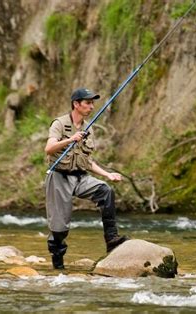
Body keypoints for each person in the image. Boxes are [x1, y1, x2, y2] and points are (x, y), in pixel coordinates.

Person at [44, 87, 128, 269]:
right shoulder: (59, 123)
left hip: (80, 177)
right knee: (59, 229)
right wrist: (70, 139)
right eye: (88, 103)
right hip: (59, 177)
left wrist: (107, 174)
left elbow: (88, 161)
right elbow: (49, 149)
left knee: (106, 191)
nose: (91, 107)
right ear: (76, 104)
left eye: (92, 103)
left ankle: (112, 239)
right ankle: (58, 267)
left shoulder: (89, 128)